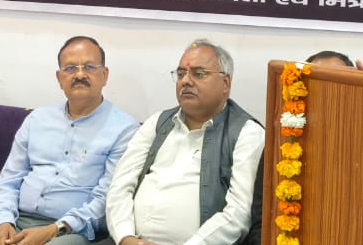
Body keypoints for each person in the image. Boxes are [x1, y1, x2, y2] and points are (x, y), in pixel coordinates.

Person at [0, 36, 138, 245]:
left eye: (89, 67)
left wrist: (55, 229)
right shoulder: (37, 119)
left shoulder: (123, 129)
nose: (80, 74)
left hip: (72, 230)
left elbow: (107, 199)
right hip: (18, 219)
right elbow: (9, 180)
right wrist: (2, 221)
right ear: (59, 78)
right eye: (70, 68)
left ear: (104, 75)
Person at [106, 39, 264, 245]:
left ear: (225, 83)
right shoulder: (157, 123)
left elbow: (239, 212)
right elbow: (120, 187)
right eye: (181, 74)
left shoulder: (247, 132)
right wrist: (125, 237)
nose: (186, 81)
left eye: (199, 74)